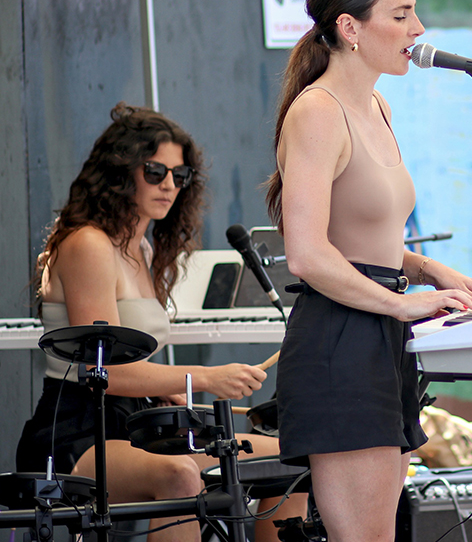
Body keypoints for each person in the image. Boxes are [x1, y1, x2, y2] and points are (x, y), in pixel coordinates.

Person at [264, 0, 472, 541]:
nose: (419, 30)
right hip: (342, 340)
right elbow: (306, 254)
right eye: (401, 15)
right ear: (349, 28)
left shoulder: (377, 104)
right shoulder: (317, 113)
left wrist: (431, 272)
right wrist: (403, 305)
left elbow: (367, 238)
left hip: (381, 334)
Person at [16, 103, 306, 542]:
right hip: (76, 430)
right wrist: (206, 377)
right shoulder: (88, 245)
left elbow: (134, 368)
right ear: (121, 171)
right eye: (155, 171)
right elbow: (106, 372)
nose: (169, 185)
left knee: (291, 458)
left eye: (180, 176)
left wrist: (170, 390)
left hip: (135, 421)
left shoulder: (144, 249)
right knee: (178, 476)